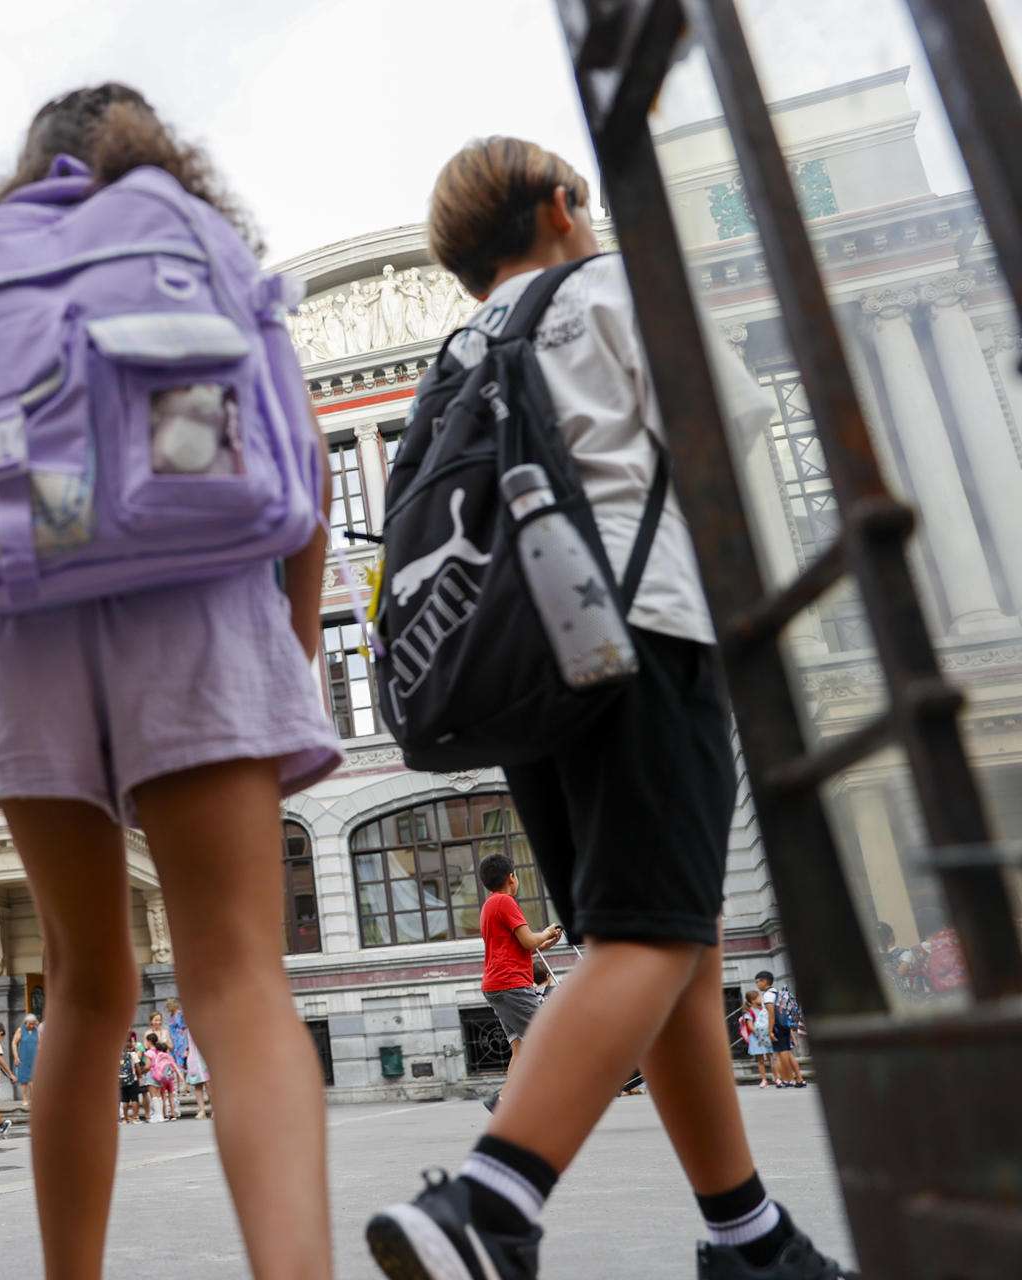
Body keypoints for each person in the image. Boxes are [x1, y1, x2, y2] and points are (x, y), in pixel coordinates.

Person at [365, 137, 854, 1280]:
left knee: (661, 936)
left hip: (531, 671)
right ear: (557, 204)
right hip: (644, 634)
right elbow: (727, 428)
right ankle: (490, 1200)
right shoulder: (609, 284)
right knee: (657, 930)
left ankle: (748, 1233)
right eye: (578, 198)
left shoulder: (457, 354)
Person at [0, 83, 340, 1280]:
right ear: (158, 149)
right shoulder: (189, 232)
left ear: (27, 166)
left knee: (88, 983)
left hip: (13, 622)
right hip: (195, 601)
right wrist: (289, 644)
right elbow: (302, 459)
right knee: (236, 973)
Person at [476, 854, 564, 1114]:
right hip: (511, 985)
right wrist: (547, 931)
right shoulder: (506, 901)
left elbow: (519, 946)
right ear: (511, 877)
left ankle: (501, 1101)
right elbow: (528, 941)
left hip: (497, 986)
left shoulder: (489, 905)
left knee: (520, 1048)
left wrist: (546, 941)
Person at [754, 972, 806, 1089]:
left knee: (781, 1053)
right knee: (787, 1052)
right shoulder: (775, 992)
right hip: (784, 1026)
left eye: (758, 981)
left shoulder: (767, 995)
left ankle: (788, 1079)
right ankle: (799, 1079)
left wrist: (770, 1030)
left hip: (777, 1027)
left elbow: (771, 1014)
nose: (757, 984)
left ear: (764, 981)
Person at [740, 991, 776, 1089]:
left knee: (771, 1057)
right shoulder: (749, 1011)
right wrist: (760, 1033)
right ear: (753, 1000)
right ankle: (764, 1080)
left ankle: (776, 1077)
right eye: (759, 997)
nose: (761, 999)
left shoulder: (764, 1008)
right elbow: (750, 1026)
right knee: (760, 1060)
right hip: (757, 1038)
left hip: (766, 1035)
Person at [13, 1013, 41, 1112]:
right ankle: (25, 1099)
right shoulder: (20, 1030)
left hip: (34, 1058)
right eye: (30, 1024)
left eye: (33, 1024)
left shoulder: (36, 1030)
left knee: (33, 1080)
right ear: (26, 1023)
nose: (32, 1026)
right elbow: (14, 1043)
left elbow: (40, 1044)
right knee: (24, 1080)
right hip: (23, 1057)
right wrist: (16, 1056)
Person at [183, 1031, 212, 1121]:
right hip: (194, 1058)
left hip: (205, 1057)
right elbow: (187, 1045)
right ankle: (202, 1111)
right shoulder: (187, 1030)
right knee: (197, 1085)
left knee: (208, 1084)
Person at [119, 1034, 147, 1125]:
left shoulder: (119, 1055)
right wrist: (140, 1076)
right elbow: (137, 1067)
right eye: (131, 1041)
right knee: (134, 1099)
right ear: (129, 1043)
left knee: (124, 1100)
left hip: (122, 1080)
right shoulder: (133, 1054)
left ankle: (125, 1119)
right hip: (133, 1080)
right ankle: (135, 1117)